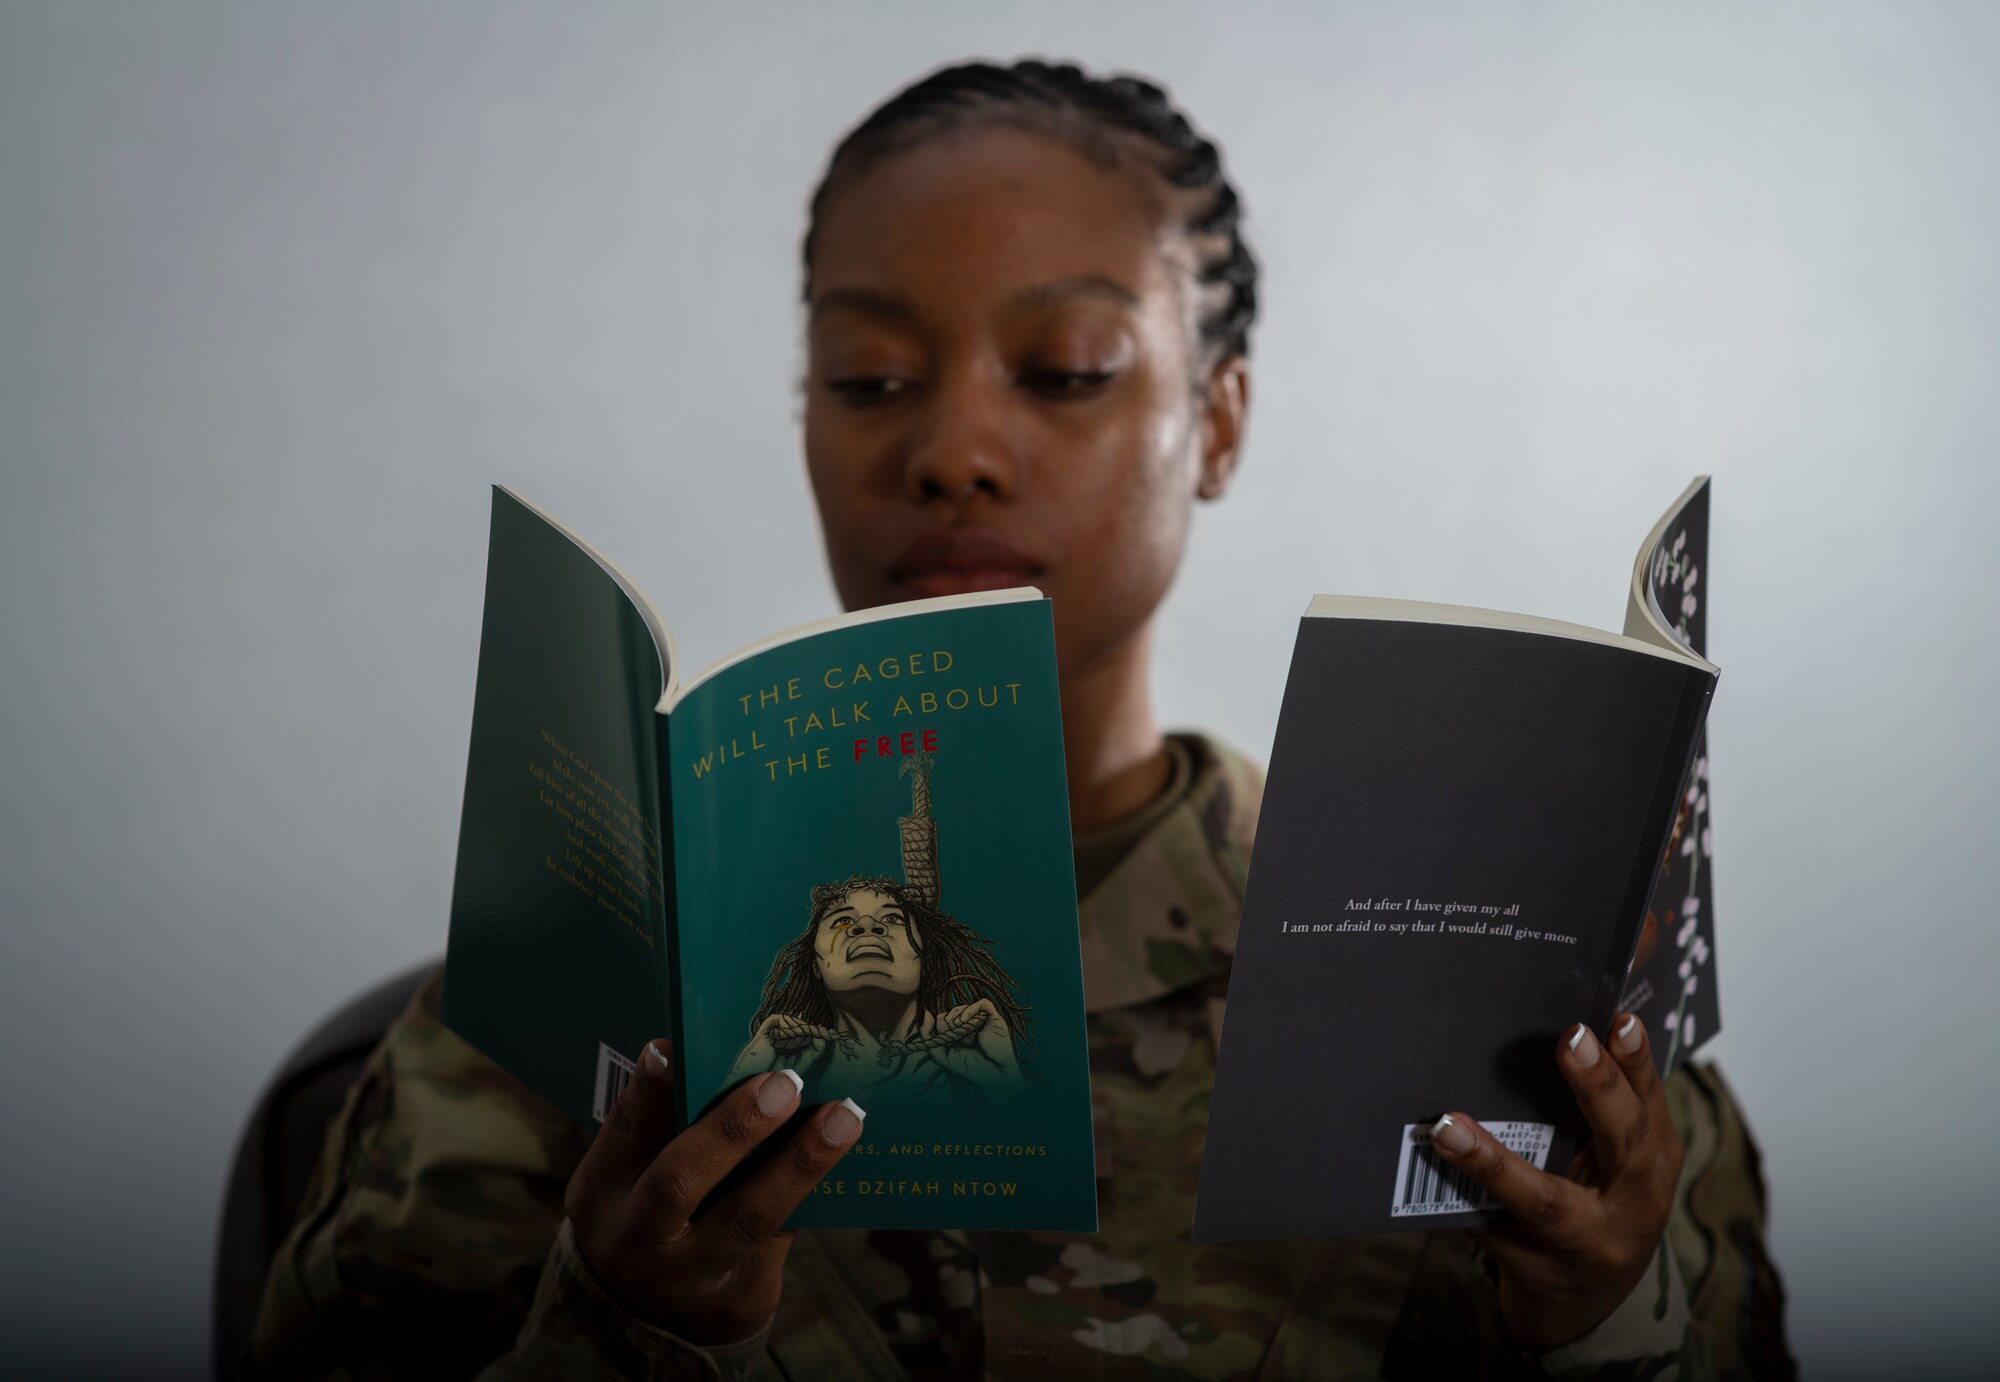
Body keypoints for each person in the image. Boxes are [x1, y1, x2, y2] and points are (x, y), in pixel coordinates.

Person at [249, 59, 1795, 1380]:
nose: (953, 448)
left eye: (1064, 370)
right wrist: (631, 1320)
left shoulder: (1501, 982)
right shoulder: (576, 988)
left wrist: (1603, 1318)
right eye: (868, 379)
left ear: (1222, 420)